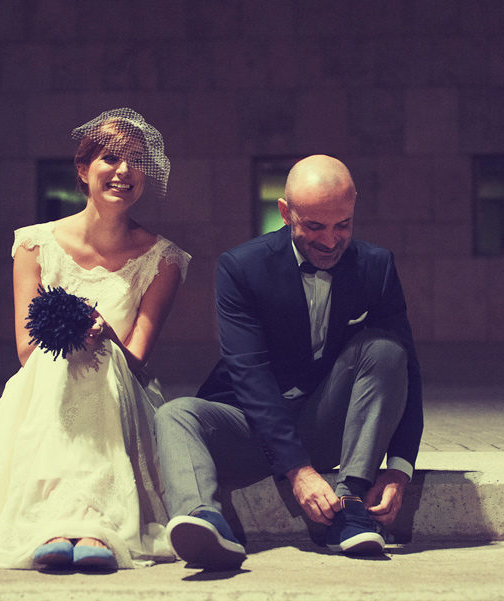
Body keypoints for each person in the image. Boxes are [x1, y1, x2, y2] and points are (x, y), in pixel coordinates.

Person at [0, 108, 190, 571]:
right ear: (84, 171)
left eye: (136, 161)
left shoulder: (163, 259)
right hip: (45, 386)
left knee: (102, 363)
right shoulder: (33, 245)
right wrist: (68, 334)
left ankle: (92, 523)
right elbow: (27, 351)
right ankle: (58, 522)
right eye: (110, 158)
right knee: (60, 365)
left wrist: (103, 333)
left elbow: (140, 358)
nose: (124, 171)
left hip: (122, 390)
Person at [155, 154, 422, 570]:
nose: (331, 241)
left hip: (324, 421)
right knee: (175, 415)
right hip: (251, 424)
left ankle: (349, 506)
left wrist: (400, 468)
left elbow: (407, 368)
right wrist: (297, 470)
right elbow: (249, 372)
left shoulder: (376, 266)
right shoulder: (241, 267)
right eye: (314, 226)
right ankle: (203, 520)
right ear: (285, 212)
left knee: (387, 349)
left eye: (343, 225)